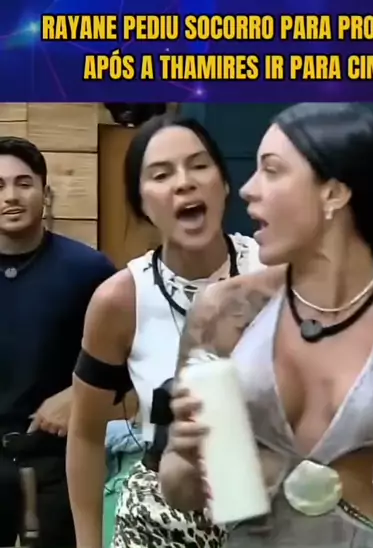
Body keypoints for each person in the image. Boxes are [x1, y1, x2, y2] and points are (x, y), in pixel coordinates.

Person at [159, 103, 373, 548]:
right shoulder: (222, 310)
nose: (248, 190)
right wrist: (184, 457)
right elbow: (180, 492)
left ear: (334, 193)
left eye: (272, 170)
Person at [66, 114, 265, 548]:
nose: (184, 183)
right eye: (161, 174)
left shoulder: (271, 271)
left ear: (224, 183)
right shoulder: (120, 299)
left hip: (272, 516)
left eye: (199, 165)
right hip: (162, 519)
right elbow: (84, 434)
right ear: (141, 203)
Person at [0, 137, 117, 547]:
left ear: (45, 193)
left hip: (60, 463)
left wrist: (77, 396)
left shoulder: (90, 271)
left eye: (23, 183)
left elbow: (134, 362)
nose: (11, 196)